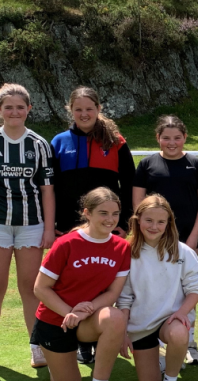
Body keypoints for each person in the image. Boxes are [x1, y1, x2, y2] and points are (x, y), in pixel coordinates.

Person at [0, 84, 55, 371]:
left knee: (30, 288)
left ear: (29, 109)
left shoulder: (39, 144)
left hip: (32, 226)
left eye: (20, 107)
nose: (15, 112)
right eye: (8, 107)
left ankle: (36, 347)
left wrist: (48, 229)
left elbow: (47, 191)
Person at [50, 86, 135, 366]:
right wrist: (53, 226)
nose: (84, 114)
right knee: (71, 285)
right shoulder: (59, 142)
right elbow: (51, 189)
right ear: (70, 111)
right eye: (78, 109)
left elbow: (130, 185)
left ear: (99, 109)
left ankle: (95, 339)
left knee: (101, 285)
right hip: (67, 229)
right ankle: (73, 337)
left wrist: (123, 223)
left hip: (106, 227)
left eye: (89, 109)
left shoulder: (116, 142)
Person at [31, 188, 131, 381]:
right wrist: (69, 313)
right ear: (87, 213)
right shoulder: (66, 243)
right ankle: (51, 354)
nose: (110, 219)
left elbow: (112, 294)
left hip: (86, 319)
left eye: (115, 214)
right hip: (55, 319)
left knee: (114, 317)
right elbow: (40, 288)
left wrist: (84, 312)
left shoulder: (122, 247)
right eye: (103, 213)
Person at [132, 115, 198, 365]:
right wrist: (142, 235)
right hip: (151, 239)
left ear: (185, 138)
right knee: (150, 288)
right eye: (166, 137)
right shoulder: (147, 164)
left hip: (186, 240)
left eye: (177, 137)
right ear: (158, 138)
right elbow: (138, 204)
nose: (172, 142)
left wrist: (193, 237)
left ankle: (189, 342)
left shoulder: (196, 165)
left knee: (187, 290)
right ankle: (150, 340)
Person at [117, 195, 198, 381]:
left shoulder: (183, 251)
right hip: (141, 325)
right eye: (148, 220)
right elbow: (124, 298)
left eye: (161, 222)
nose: (154, 226)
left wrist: (182, 313)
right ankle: (163, 360)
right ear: (138, 220)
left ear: (169, 223)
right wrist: (123, 333)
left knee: (180, 332)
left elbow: (195, 290)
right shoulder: (126, 252)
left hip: (170, 320)